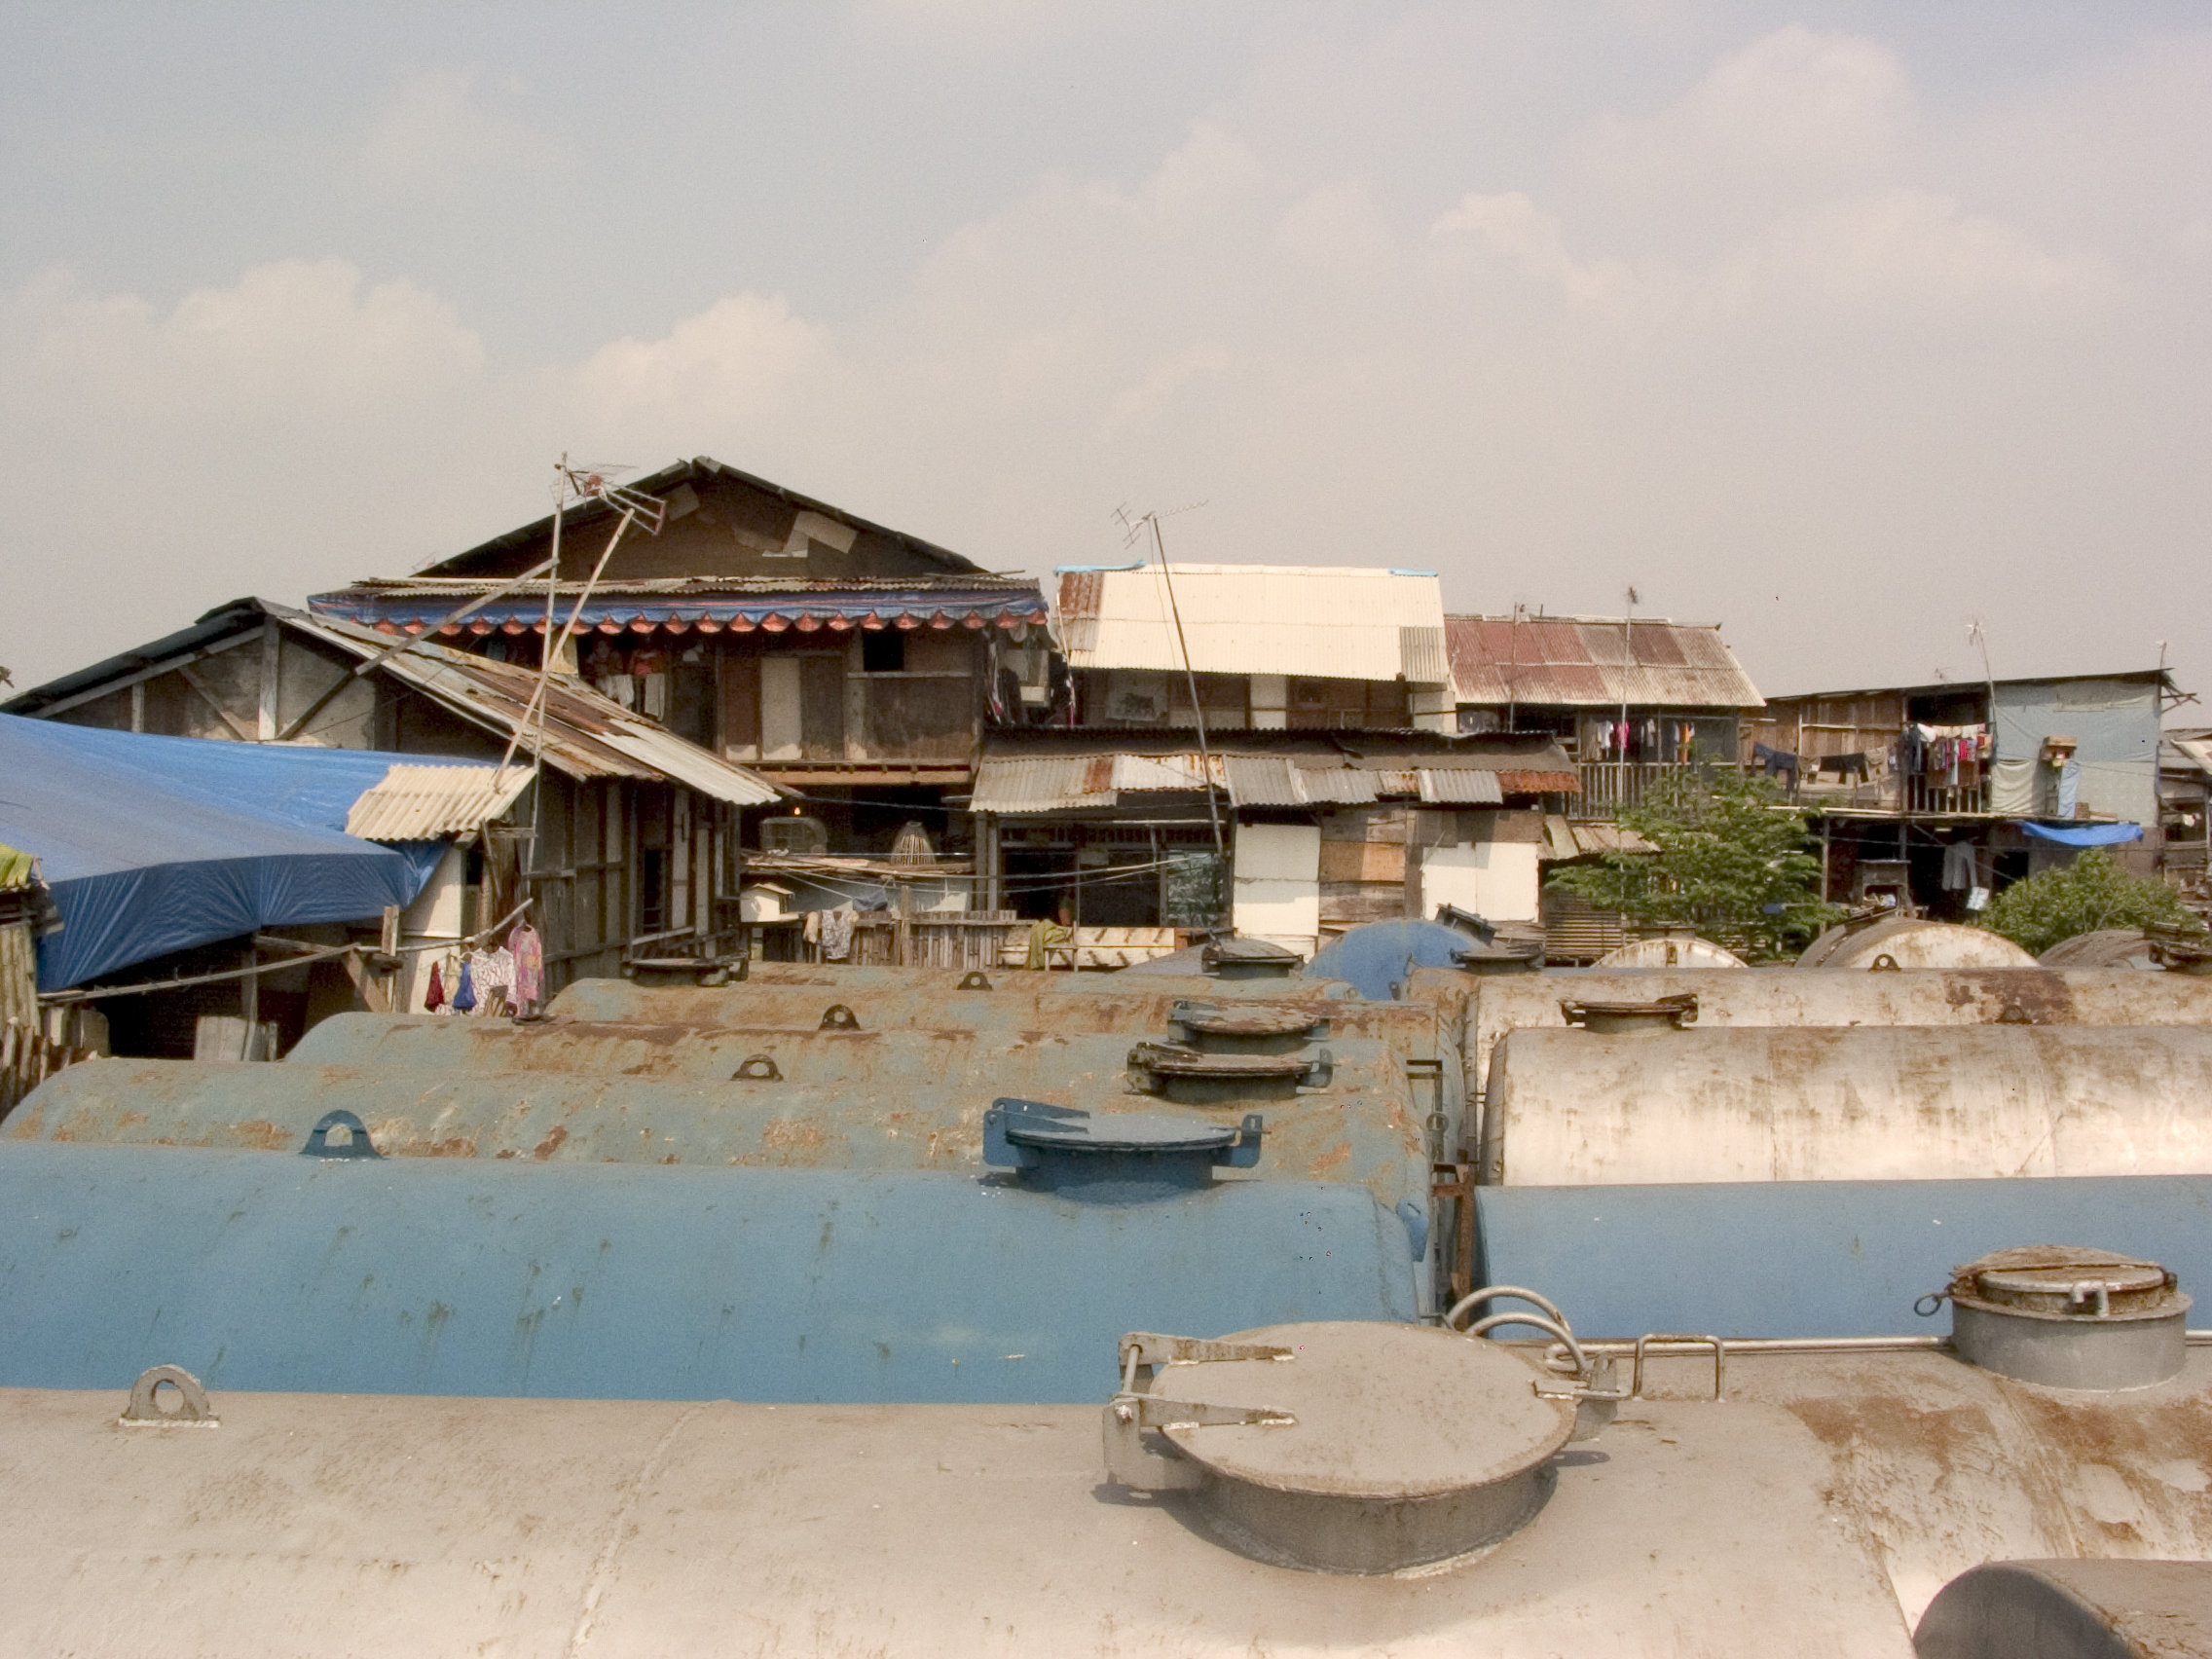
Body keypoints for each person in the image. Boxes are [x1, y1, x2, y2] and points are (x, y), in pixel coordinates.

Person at [1025, 901, 1075, 971]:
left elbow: (1066, 923)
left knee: (1041, 933)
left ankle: (1038, 962)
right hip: (1049, 926)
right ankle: (1038, 961)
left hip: (1055, 927)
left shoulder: (1064, 906)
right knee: (1039, 930)